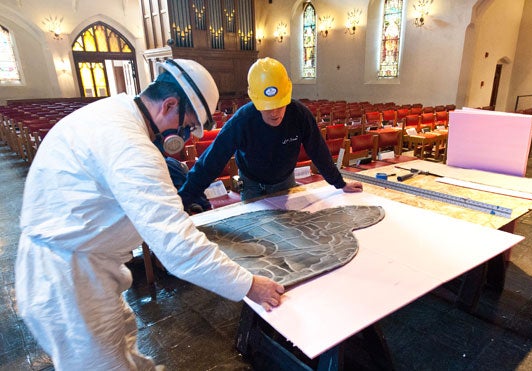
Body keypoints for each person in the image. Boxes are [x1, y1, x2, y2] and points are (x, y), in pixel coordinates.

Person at [15, 58, 284, 370]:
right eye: (187, 125)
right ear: (169, 104)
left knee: (121, 347)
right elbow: (177, 246)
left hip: (83, 261)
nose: (185, 137)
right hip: (67, 276)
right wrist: (249, 285)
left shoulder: (116, 112)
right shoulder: (129, 146)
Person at [178, 57, 363, 211]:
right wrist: (183, 200)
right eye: (267, 108)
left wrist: (340, 183)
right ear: (255, 100)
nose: (274, 113)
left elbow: (318, 151)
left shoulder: (300, 114)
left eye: (279, 105)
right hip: (252, 184)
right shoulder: (242, 120)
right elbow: (212, 160)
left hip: (285, 181)